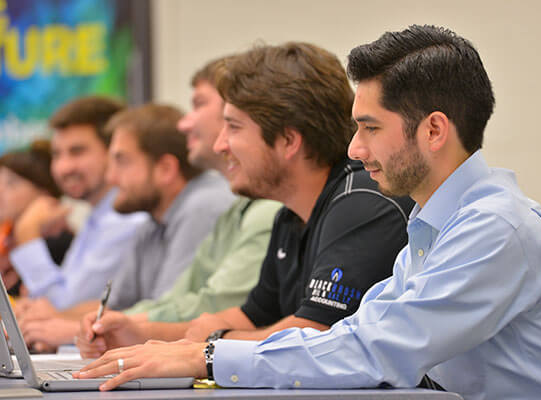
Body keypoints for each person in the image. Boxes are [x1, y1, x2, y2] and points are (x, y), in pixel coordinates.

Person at [76, 26, 541, 399]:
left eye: (371, 128)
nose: (354, 149)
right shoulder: (436, 222)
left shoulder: (495, 227)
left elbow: (380, 349)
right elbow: (361, 332)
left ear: (434, 130)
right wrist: (195, 351)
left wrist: (208, 356)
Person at [76, 42, 413, 357]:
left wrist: (205, 346)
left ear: (287, 140)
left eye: (234, 128)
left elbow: (316, 333)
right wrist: (140, 332)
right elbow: (251, 317)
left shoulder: (362, 202)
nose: (222, 146)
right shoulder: (290, 215)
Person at [72, 57, 282, 357]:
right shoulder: (236, 208)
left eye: (198, 104)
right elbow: (178, 301)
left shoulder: (211, 204)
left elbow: (211, 307)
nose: (184, 123)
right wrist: (120, 325)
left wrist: (129, 328)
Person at [20, 103, 237, 350]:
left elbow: (169, 310)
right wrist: (57, 322)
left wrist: (68, 328)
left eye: (121, 161)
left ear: (165, 169)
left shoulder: (202, 205)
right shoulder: (152, 218)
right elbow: (116, 306)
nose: (111, 178)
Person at [9, 97, 148, 315]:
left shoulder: (126, 220)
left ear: (114, 150)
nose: (63, 167)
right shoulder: (97, 217)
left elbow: (64, 309)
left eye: (77, 151)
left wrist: (27, 234)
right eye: (57, 154)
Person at [0, 140, 73, 297]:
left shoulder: (60, 243)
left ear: (44, 193)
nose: (0, 191)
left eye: (11, 184)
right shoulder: (8, 239)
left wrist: (27, 231)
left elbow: (56, 305)